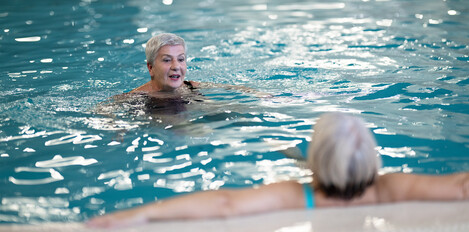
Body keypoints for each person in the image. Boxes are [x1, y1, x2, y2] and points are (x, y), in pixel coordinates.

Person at [87, 112, 469, 229]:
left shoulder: (296, 194)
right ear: (373, 160)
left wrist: (142, 213)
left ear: (317, 164)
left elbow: (224, 205)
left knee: (285, 151)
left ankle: (294, 150)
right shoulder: (391, 188)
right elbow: (460, 187)